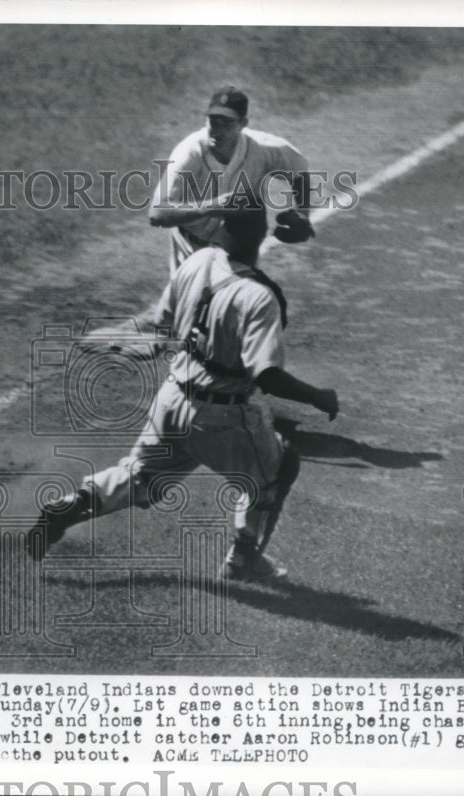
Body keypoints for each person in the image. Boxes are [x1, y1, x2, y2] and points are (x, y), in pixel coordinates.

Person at [29, 210, 338, 580]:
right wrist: (318, 396)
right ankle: (243, 560)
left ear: (223, 228)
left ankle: (69, 505)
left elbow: (161, 326)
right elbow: (267, 376)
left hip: (173, 398)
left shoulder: (198, 260)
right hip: (224, 418)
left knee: (141, 477)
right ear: (261, 234)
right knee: (276, 471)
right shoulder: (259, 297)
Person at [149, 85, 315, 273]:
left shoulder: (263, 149)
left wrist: (302, 215)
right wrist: (212, 207)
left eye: (226, 124)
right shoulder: (189, 153)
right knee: (193, 301)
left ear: (243, 124)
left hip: (235, 250)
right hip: (189, 249)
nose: (217, 131)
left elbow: (300, 169)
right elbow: (156, 214)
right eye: (213, 121)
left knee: (241, 295)